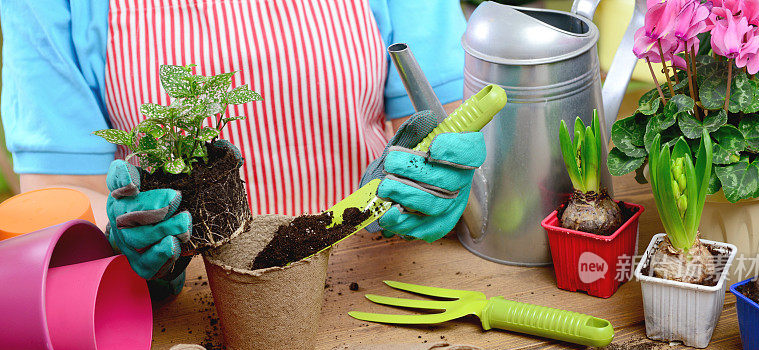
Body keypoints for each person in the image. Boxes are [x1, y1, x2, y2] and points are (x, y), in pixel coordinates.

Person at [0, 0, 485, 294]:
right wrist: (120, 233)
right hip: (188, 313)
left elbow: (443, 126)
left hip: (373, 275)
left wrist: (433, 174)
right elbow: (61, 195)